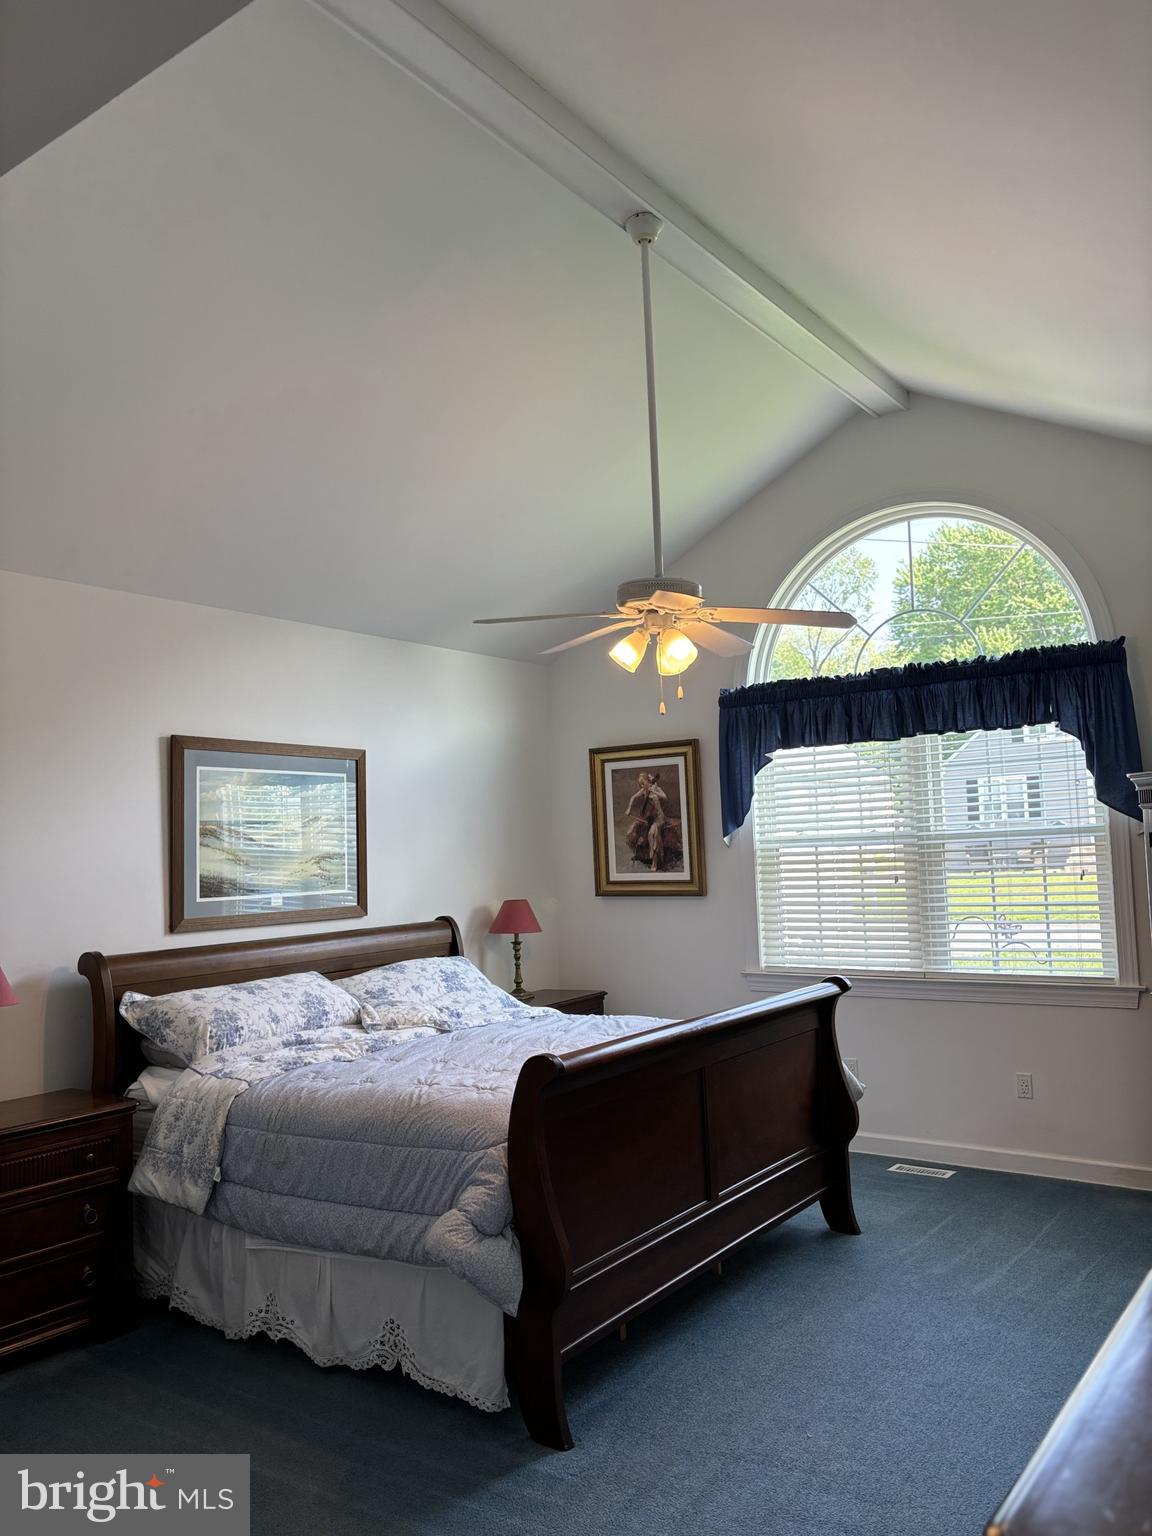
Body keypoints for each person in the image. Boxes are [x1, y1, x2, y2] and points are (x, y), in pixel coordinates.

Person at [624, 771, 668, 870]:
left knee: (652, 833)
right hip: (648, 817)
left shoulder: (656, 788)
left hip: (659, 817)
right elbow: (632, 797)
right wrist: (629, 808)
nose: (642, 786)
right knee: (631, 831)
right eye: (641, 785)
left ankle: (654, 861)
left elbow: (665, 797)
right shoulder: (644, 790)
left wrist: (654, 791)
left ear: (649, 781)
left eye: (643, 783)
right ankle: (641, 854)